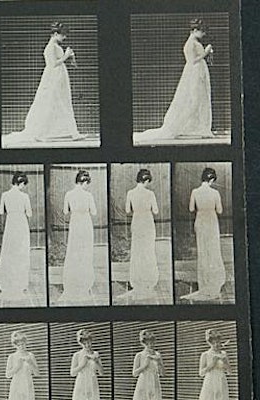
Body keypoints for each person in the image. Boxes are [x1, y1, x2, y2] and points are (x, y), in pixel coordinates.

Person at [3, 22, 84, 146]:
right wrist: (66, 56)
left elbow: (61, 62)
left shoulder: (55, 45)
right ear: (55, 34)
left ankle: (71, 131)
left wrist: (70, 58)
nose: (65, 38)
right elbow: (52, 64)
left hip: (60, 76)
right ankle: (45, 132)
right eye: (63, 35)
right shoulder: (50, 47)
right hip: (54, 77)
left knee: (62, 102)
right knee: (52, 102)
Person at [134, 19, 214, 143]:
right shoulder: (190, 44)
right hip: (194, 72)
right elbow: (192, 61)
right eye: (202, 31)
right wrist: (206, 52)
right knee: (193, 99)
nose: (203, 34)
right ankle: (183, 126)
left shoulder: (194, 42)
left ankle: (198, 126)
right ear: (194, 31)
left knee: (200, 99)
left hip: (199, 71)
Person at [181, 168, 226, 302]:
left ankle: (205, 283)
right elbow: (220, 210)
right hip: (211, 221)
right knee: (213, 252)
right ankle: (213, 284)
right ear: (212, 180)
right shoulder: (215, 192)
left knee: (203, 252)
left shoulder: (195, 191)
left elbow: (190, 209)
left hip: (200, 221)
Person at [120, 169, 160, 302]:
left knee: (137, 252)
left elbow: (127, 210)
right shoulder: (150, 193)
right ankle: (148, 281)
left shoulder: (130, 193)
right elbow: (155, 211)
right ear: (147, 180)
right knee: (148, 252)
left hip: (136, 222)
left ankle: (137, 281)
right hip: (147, 223)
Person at [58, 171, 97, 305]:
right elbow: (94, 212)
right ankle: (84, 283)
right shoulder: (88, 195)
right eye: (87, 183)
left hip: (75, 225)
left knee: (74, 253)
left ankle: (73, 283)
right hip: (85, 225)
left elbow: (65, 211)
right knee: (85, 254)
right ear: (85, 182)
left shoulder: (68, 194)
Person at [0, 172, 33, 302]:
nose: (24, 187)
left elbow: (1, 212)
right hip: (21, 225)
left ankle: (8, 282)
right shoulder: (24, 196)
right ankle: (20, 283)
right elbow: (29, 213)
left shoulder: (4, 195)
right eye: (24, 184)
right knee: (21, 254)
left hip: (10, 225)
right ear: (21, 183)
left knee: (9, 253)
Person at [70, 329, 104, 400]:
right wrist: (82, 365)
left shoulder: (96, 354)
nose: (87, 345)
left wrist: (97, 362)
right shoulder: (77, 355)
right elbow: (72, 373)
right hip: (81, 382)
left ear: (91, 341)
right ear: (80, 343)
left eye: (88, 342)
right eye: (84, 343)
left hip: (92, 382)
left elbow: (101, 373)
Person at [197, 329, 230, 400]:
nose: (216, 345)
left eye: (218, 342)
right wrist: (211, 364)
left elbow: (229, 371)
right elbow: (201, 373)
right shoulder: (205, 354)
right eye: (213, 343)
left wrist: (225, 364)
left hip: (221, 380)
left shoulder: (224, 354)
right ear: (210, 343)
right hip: (210, 381)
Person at [6, 331, 40, 400]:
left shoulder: (31, 355)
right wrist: (17, 367)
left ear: (25, 343)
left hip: (27, 384)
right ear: (15, 345)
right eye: (19, 345)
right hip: (16, 385)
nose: (21, 346)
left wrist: (31, 363)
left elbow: (37, 374)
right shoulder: (12, 357)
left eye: (23, 344)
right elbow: (7, 375)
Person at [131, 330, 164, 400]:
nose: (151, 344)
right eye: (149, 342)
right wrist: (144, 366)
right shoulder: (139, 355)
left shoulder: (157, 354)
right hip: (143, 382)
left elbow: (162, 374)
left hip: (154, 382)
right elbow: (134, 374)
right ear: (144, 343)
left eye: (153, 342)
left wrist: (159, 363)